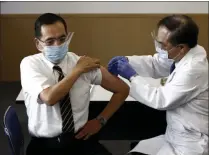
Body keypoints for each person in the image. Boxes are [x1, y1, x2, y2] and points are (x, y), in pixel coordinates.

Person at [20, 13, 129, 155]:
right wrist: (76, 71)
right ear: (38, 44)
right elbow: (49, 98)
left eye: (62, 39)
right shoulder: (30, 64)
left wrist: (100, 120)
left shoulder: (81, 62)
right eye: (50, 41)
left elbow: (122, 89)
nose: (57, 45)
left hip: (80, 138)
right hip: (45, 144)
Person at [108, 15, 208, 155]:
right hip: (174, 135)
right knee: (137, 150)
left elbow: (161, 100)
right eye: (158, 41)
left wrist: (132, 76)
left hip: (190, 144)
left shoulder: (194, 69)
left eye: (163, 45)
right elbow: (158, 64)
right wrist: (128, 61)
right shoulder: (184, 53)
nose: (159, 47)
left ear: (181, 48)